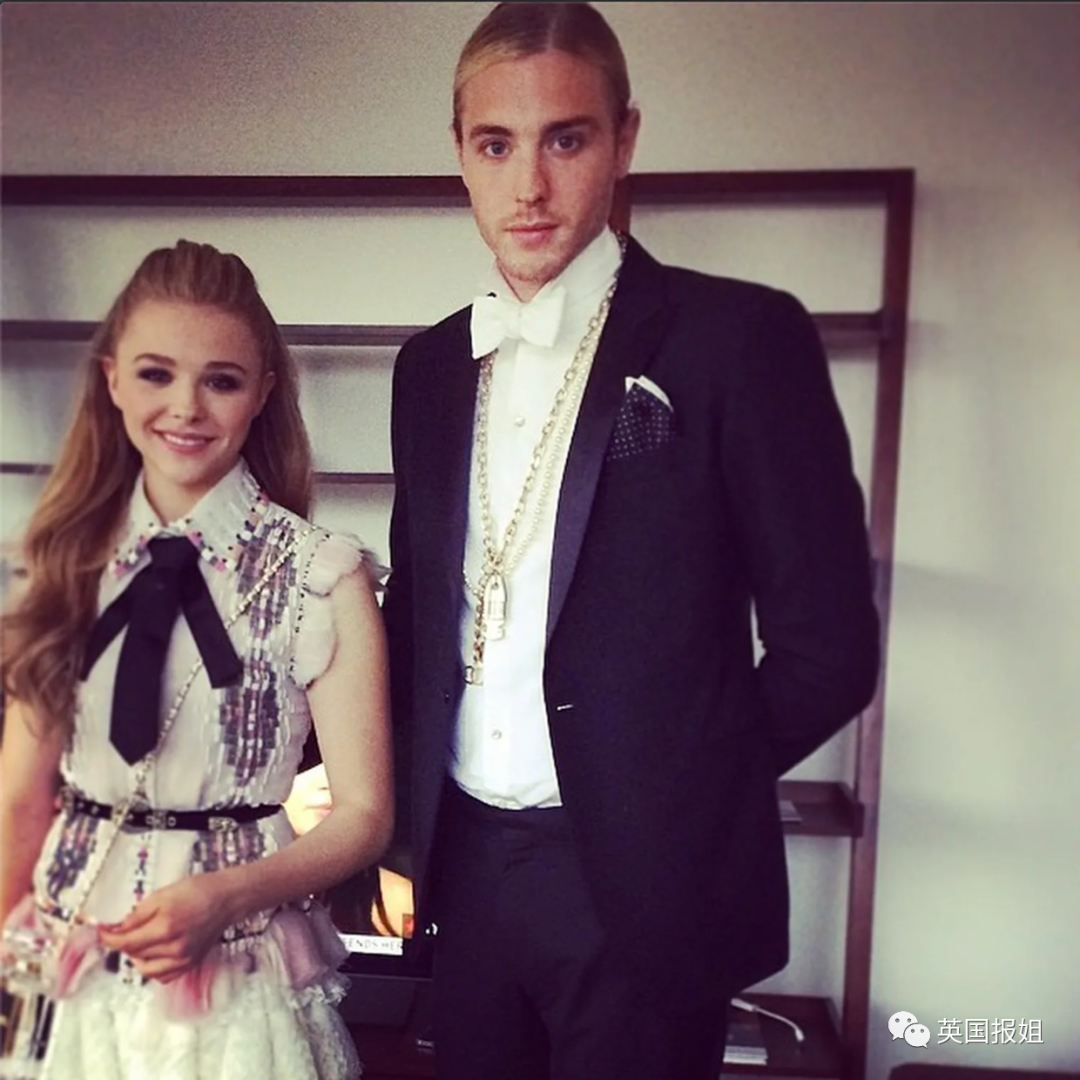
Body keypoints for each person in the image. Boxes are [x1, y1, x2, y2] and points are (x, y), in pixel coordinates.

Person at [382, 4, 881, 1079]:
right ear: (459, 154)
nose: (529, 185)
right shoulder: (426, 370)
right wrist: (381, 817)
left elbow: (831, 650)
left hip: (646, 884)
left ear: (624, 141)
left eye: (565, 139)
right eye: (496, 144)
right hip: (463, 871)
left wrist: (673, 787)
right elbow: (418, 617)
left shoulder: (739, 339)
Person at [0, 239, 392, 1079]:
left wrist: (227, 894)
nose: (186, 407)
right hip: (71, 977)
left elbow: (365, 814)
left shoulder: (321, 575)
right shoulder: (64, 560)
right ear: (112, 379)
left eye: (221, 380)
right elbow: (20, 802)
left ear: (263, 393)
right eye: (156, 374)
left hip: (239, 983)